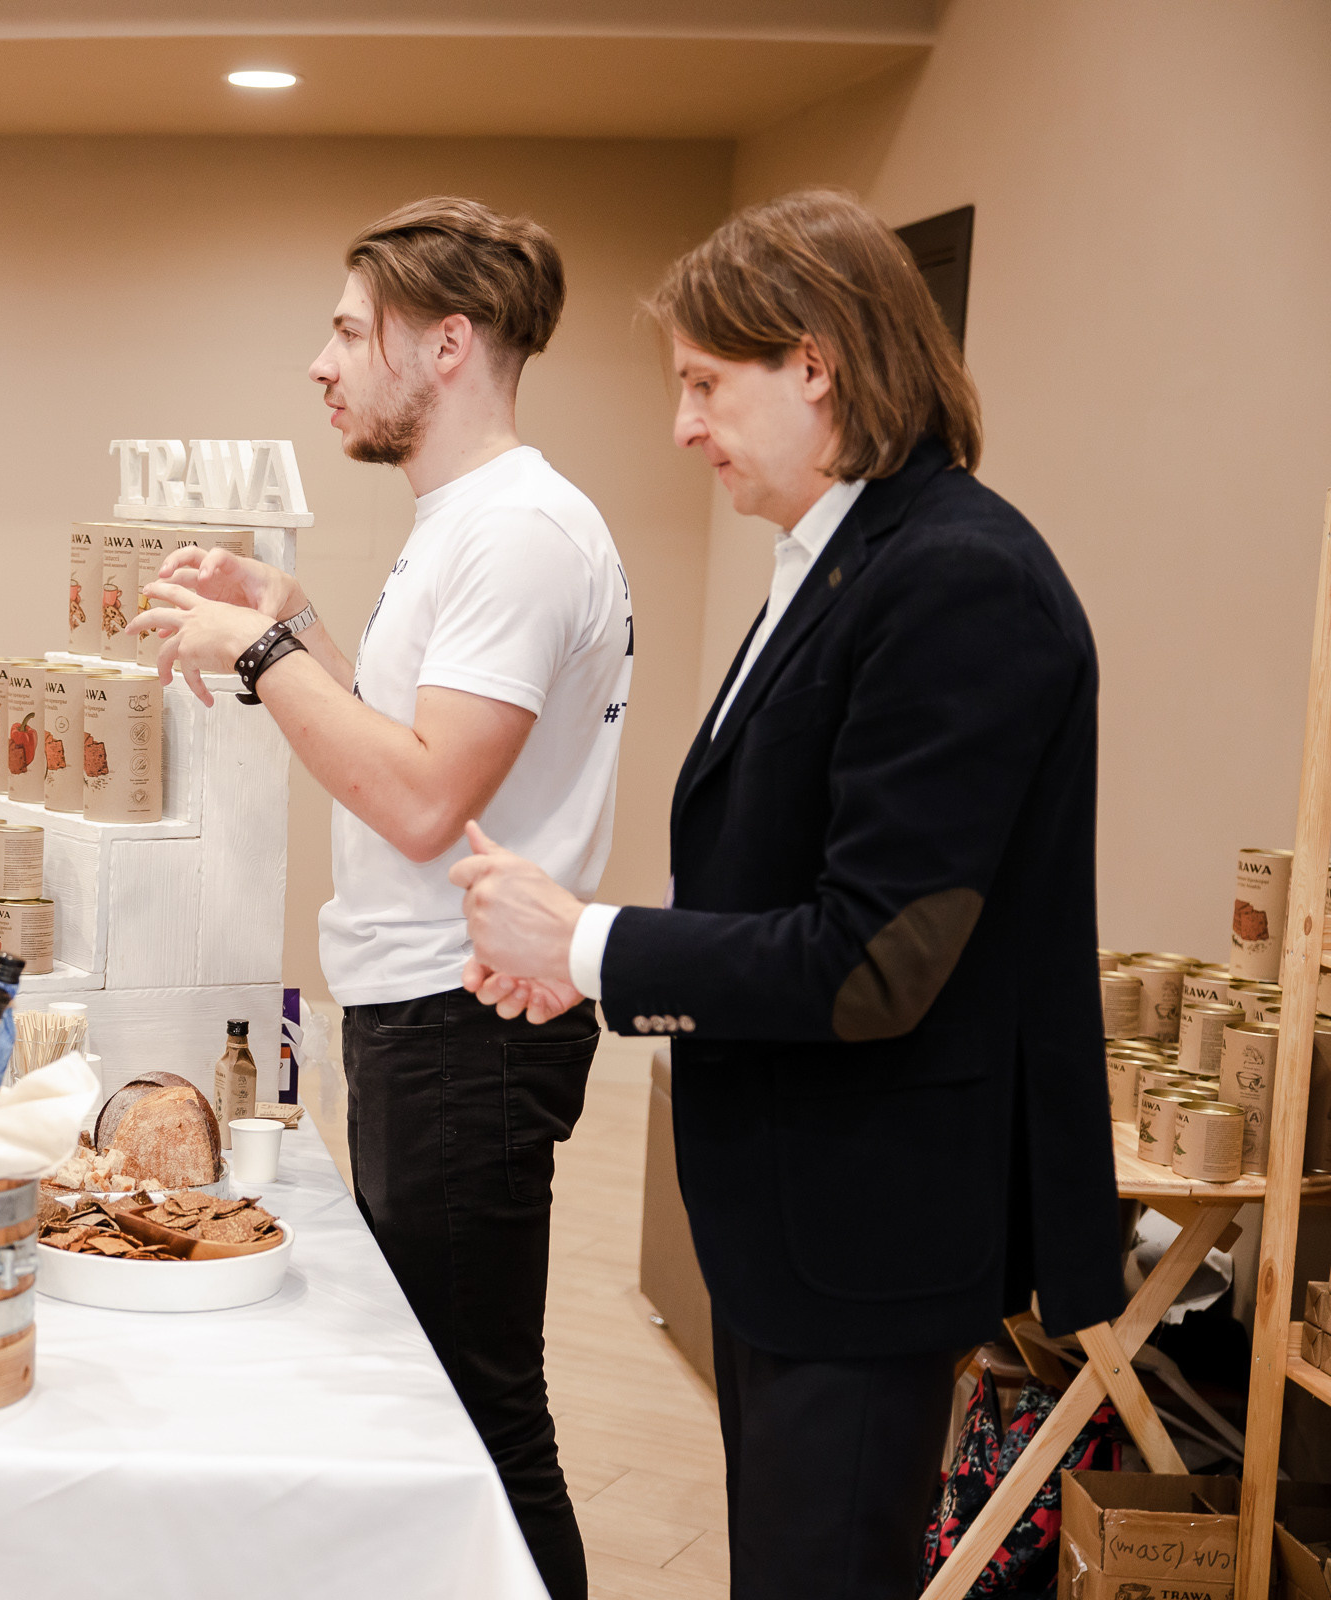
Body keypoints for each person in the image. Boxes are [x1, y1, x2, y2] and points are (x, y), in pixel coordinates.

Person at [448, 189, 1123, 1596]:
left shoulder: (958, 577)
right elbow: (784, 873)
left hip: (869, 1224)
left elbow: (875, 958)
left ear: (814, 361)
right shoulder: (847, 556)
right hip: (797, 1212)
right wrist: (588, 961)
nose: (685, 426)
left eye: (706, 384)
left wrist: (589, 939)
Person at [130, 196, 633, 1598]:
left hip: (471, 1021)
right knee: (441, 1398)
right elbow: (399, 739)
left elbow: (422, 801)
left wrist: (255, 658)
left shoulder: (522, 532)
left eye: (352, 329)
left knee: (480, 1416)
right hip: (421, 1007)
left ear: (449, 344)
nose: (323, 361)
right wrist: (289, 625)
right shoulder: (462, 522)